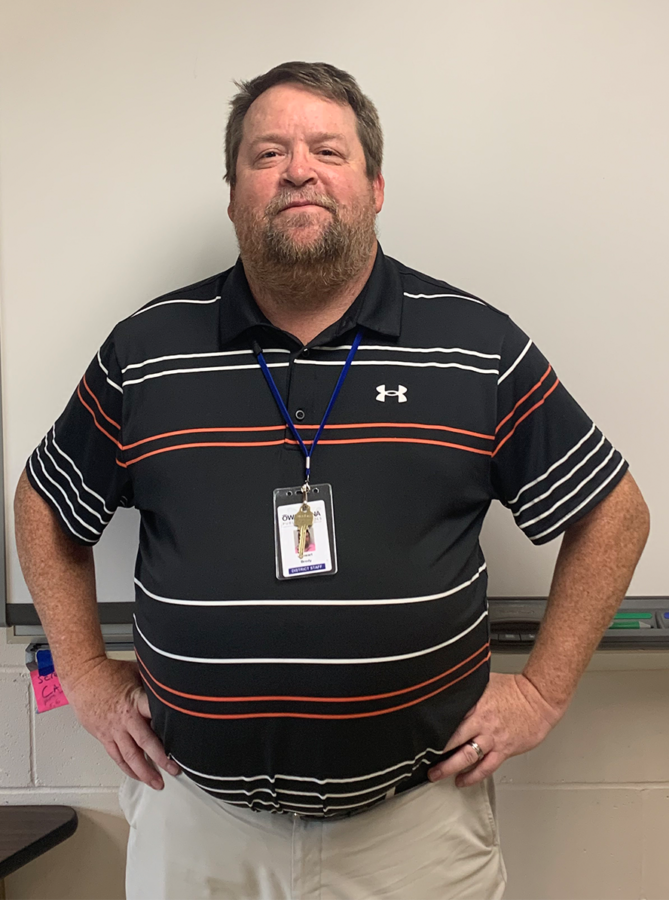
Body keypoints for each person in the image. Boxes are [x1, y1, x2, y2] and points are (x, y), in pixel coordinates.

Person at [14, 61, 649, 900]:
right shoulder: (148, 350)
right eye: (266, 153)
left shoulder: (473, 345)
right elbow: (44, 505)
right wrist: (88, 678)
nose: (298, 170)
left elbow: (614, 512)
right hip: (199, 822)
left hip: (415, 832)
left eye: (327, 150)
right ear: (234, 193)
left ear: (375, 185)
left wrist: (540, 690)